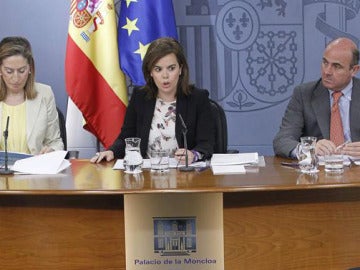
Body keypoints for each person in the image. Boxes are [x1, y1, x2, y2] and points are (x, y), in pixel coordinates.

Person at [91, 37, 215, 164]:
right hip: (148, 174)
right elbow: (126, 137)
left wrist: (193, 154)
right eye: (158, 69)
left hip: (184, 175)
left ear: (180, 69)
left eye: (171, 68)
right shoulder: (140, 98)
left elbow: (206, 144)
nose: (165, 76)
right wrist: (111, 151)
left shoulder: (198, 98)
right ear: (150, 72)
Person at [273, 37, 360, 158]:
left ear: (354, 70)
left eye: (337, 66)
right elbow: (282, 140)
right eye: (325, 62)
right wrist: (308, 149)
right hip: (319, 171)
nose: (327, 71)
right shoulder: (304, 94)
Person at [0, 36, 63, 154]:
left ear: (30, 68)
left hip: (35, 170)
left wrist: (52, 151)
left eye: (21, 70)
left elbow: (55, 142)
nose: (16, 78)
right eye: (9, 71)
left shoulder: (45, 93)